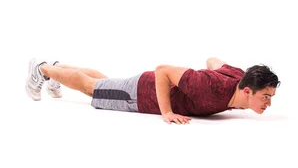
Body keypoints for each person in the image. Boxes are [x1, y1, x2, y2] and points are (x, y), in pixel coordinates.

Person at [25, 57, 280, 124]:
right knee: (93, 88)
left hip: (140, 87)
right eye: (265, 96)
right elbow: (163, 70)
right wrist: (166, 112)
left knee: (104, 82)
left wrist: (205, 73)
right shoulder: (210, 88)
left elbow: (214, 61)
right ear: (248, 90)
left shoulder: (237, 77)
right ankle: (43, 69)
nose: (268, 103)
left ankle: (58, 69)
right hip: (140, 95)